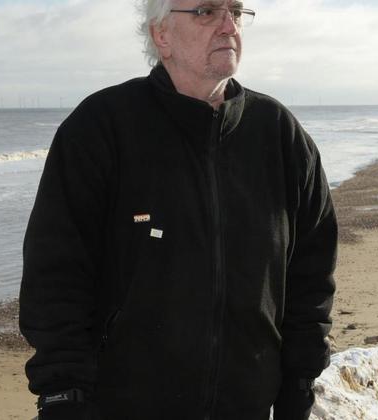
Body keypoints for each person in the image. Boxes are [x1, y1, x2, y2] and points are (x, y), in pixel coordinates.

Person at [19, 1, 338, 419]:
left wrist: (298, 385)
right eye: (207, 11)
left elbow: (311, 277)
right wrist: (63, 396)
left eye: (236, 10)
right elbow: (55, 273)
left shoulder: (280, 135)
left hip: (247, 407)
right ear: (161, 35)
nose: (229, 25)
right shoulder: (101, 129)